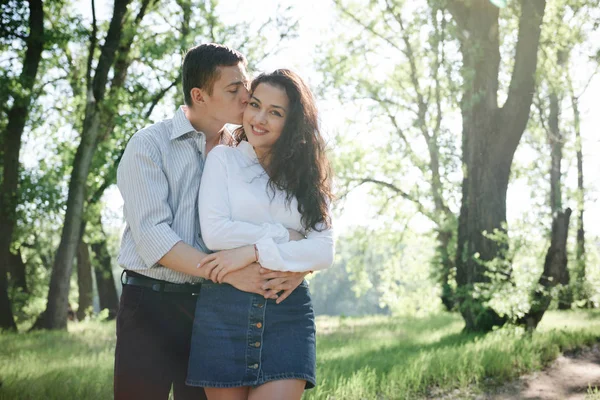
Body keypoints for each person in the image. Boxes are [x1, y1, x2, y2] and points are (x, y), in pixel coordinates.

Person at [114, 44, 307, 400]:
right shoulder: (149, 146)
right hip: (150, 304)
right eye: (234, 90)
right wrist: (230, 272)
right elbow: (154, 238)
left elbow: (284, 219)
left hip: (214, 308)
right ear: (199, 96)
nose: (247, 96)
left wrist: (296, 265)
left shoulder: (245, 151)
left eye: (245, 85)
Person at [186, 69, 335, 400]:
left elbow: (323, 251)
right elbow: (215, 232)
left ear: (292, 122)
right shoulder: (223, 159)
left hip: (287, 311)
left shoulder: (308, 178)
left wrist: (252, 251)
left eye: (275, 112)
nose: (260, 118)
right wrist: (284, 237)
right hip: (224, 312)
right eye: (255, 105)